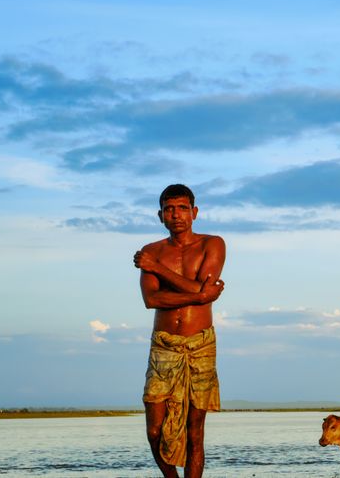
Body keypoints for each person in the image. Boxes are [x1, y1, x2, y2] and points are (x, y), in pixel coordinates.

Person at [134, 184, 226, 478]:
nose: (176, 215)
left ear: (194, 212)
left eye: (182, 208)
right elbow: (152, 300)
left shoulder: (212, 244)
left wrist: (158, 270)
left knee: (194, 432)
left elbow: (204, 292)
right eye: (169, 209)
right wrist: (199, 295)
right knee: (154, 430)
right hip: (164, 345)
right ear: (160, 215)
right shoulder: (151, 251)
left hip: (200, 344)